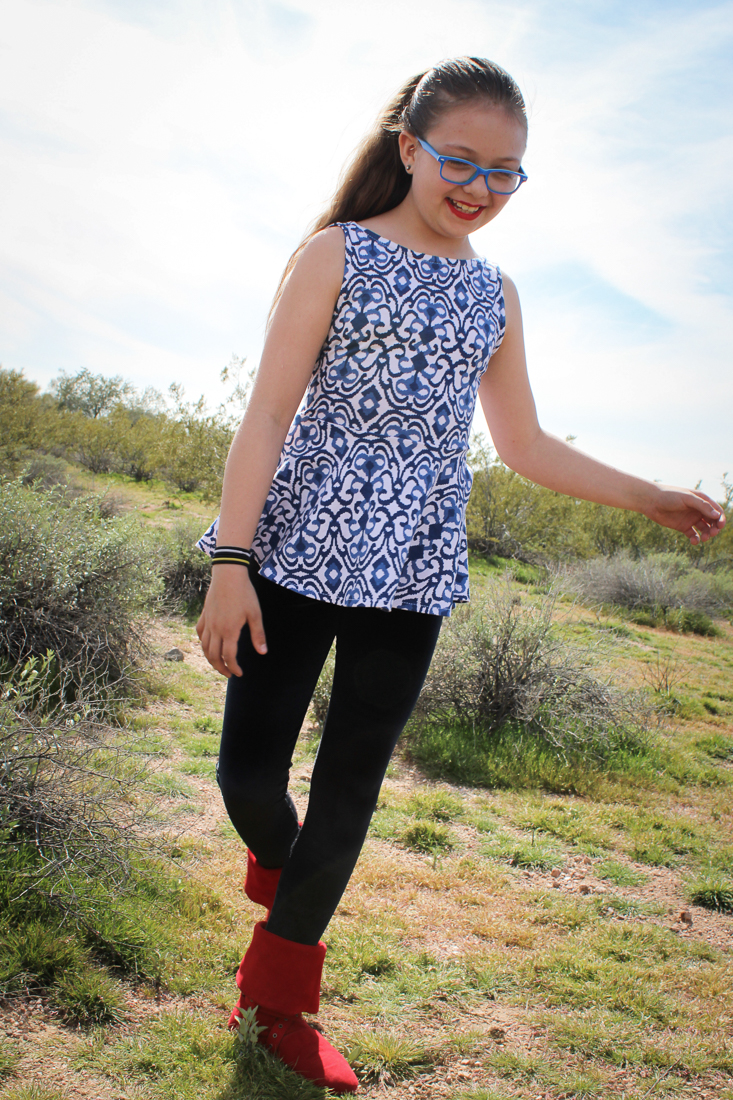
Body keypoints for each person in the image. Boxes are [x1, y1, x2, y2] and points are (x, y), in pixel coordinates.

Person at [195, 57, 725, 1093]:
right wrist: (230, 560)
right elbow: (264, 416)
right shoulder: (333, 254)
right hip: (293, 551)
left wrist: (647, 494)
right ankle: (287, 881)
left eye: (507, 173)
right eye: (461, 161)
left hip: (412, 570)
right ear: (409, 148)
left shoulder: (495, 293)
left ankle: (282, 1006)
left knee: (349, 787)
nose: (480, 187)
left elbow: (522, 443)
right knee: (247, 778)